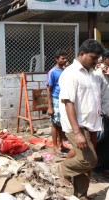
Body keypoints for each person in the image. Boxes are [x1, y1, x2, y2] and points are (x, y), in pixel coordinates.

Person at [58, 39, 104, 199]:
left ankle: (81, 195)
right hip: (78, 125)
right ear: (82, 54)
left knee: (86, 165)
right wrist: (77, 133)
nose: (96, 61)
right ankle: (63, 168)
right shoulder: (71, 73)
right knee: (89, 161)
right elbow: (68, 103)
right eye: (93, 57)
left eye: (98, 58)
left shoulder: (92, 73)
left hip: (92, 124)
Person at [46, 50, 69, 158]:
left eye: (65, 58)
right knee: (55, 124)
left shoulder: (66, 71)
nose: (65, 60)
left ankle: (61, 145)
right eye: (62, 58)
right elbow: (48, 90)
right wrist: (50, 106)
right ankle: (55, 146)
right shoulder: (52, 72)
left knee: (61, 123)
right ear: (57, 59)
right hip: (56, 99)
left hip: (64, 99)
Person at [94, 50, 109, 170]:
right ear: (105, 59)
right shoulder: (98, 74)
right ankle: (98, 164)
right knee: (102, 138)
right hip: (103, 111)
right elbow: (97, 95)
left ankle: (105, 163)